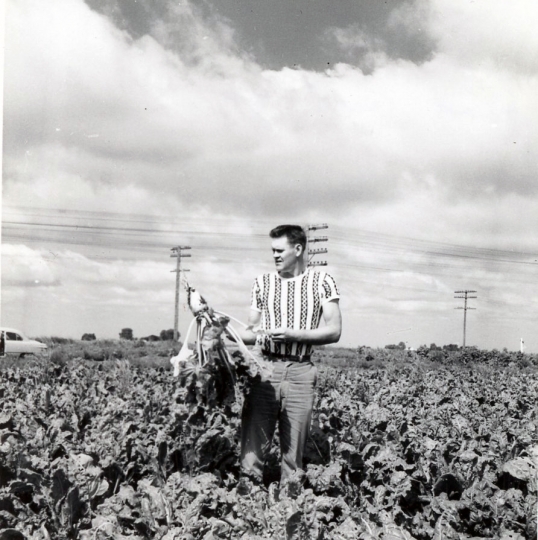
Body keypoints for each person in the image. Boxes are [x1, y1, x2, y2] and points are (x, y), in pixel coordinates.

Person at [238, 224, 342, 488]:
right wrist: (223, 331)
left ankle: (289, 511)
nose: (274, 255)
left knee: (293, 451)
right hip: (265, 370)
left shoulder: (322, 282)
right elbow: (250, 331)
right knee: (252, 447)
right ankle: (247, 505)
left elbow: (334, 330)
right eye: (272, 250)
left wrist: (294, 335)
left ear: (298, 249)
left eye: (279, 250)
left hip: (300, 372)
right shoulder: (262, 283)